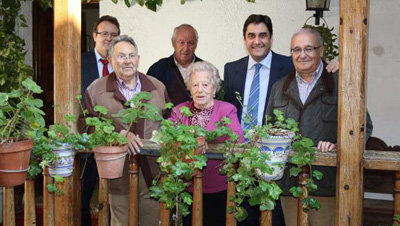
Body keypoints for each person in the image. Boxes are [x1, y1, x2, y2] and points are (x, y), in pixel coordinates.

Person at [223, 14, 339, 226]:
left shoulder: (289, 66)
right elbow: (231, 111)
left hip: (320, 179)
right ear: (244, 39)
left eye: (262, 35)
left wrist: (343, 62)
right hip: (255, 164)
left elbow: (359, 126)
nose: (257, 41)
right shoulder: (232, 70)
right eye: (251, 35)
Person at [266, 28, 373, 226]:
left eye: (309, 48)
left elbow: (363, 127)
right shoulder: (279, 88)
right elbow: (269, 130)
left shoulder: (341, 84)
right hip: (291, 185)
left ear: (321, 51)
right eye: (296, 50)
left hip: (328, 185)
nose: (302, 54)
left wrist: (337, 144)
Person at [79, 35, 169, 226]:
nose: (127, 61)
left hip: (152, 173)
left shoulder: (157, 87)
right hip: (116, 175)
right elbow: (85, 127)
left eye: (132, 55)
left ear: (138, 58)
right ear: (111, 60)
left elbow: (170, 124)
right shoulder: (96, 90)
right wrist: (116, 135)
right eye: (121, 56)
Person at [169, 61, 244, 226]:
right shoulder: (179, 111)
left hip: (220, 188)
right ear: (189, 88)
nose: (199, 89)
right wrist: (192, 137)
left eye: (205, 84)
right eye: (195, 84)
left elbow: (237, 138)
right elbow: (167, 137)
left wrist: (208, 138)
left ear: (215, 88)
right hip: (187, 187)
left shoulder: (226, 109)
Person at [80, 15, 120, 226]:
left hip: (116, 142)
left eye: (113, 34)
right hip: (87, 142)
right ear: (94, 36)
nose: (108, 38)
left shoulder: (122, 63)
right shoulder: (80, 62)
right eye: (104, 33)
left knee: (116, 198)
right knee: (82, 195)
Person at [147, 24, 203, 105]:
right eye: (181, 42)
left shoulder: (206, 70)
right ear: (173, 43)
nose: (186, 48)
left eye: (190, 43)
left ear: (196, 45)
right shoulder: (158, 69)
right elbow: (148, 101)